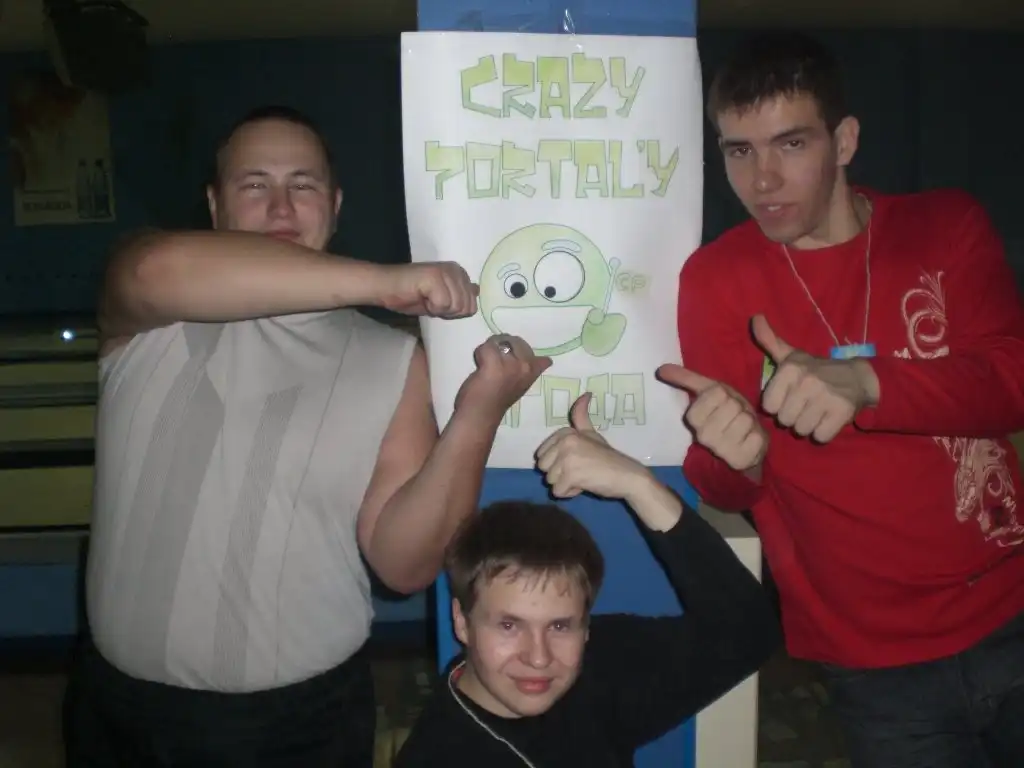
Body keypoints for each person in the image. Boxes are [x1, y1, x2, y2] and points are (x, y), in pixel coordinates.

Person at [62, 105, 550, 767]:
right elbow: (152, 269)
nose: (281, 206)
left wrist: (477, 414)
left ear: (335, 204)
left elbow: (404, 565)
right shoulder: (152, 315)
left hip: (304, 726)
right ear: (214, 205)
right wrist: (384, 281)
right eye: (254, 184)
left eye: (303, 184)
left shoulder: (393, 361)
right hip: (123, 716)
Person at [661, 31, 1024, 768]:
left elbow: (1012, 382)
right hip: (872, 658)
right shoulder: (716, 279)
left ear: (845, 140)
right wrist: (733, 457)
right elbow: (726, 483)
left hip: (1011, 609)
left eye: (790, 144)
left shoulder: (944, 226)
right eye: (739, 151)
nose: (763, 179)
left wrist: (868, 382)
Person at [394, 392, 782, 767]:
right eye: (509, 625)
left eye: (560, 625)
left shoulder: (597, 673)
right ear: (462, 621)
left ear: (585, 626)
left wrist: (639, 486)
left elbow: (748, 633)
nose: (538, 657)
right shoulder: (439, 755)